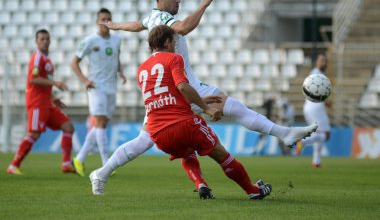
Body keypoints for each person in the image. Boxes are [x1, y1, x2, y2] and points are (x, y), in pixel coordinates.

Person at [96, 0, 317, 191]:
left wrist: (115, 25)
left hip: (165, 95)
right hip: (187, 87)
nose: (178, 0)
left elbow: (137, 25)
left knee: (143, 140)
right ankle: (283, 134)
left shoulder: (151, 18)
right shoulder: (164, 19)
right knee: (234, 107)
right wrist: (204, 4)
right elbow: (182, 28)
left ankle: (102, 173)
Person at [90, 25, 273, 200]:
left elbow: (165, 97)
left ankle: (200, 182)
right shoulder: (174, 59)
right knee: (220, 153)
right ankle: (252, 190)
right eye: (174, 41)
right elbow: (183, 86)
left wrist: (200, 101)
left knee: (186, 152)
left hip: (158, 134)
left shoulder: (141, 70)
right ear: (168, 42)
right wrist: (206, 108)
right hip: (184, 124)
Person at [7, 29, 75, 174]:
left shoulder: (47, 60)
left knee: (68, 126)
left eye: (47, 39)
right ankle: (13, 165)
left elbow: (43, 84)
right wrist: (55, 83)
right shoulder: (37, 58)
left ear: (50, 41)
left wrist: (52, 99)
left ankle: (66, 164)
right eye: (42, 39)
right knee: (34, 134)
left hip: (46, 103)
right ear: (36, 41)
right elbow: (33, 79)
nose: (45, 41)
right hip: (37, 103)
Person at [71, 8, 126, 177]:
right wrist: (85, 80)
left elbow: (116, 57)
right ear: (97, 21)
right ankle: (106, 164)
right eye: (103, 19)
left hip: (111, 86)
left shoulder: (117, 39)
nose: (106, 22)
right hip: (96, 87)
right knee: (100, 122)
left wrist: (120, 71)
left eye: (108, 19)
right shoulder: (90, 40)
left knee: (101, 124)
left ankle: (79, 159)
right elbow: (74, 62)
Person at [297, 53, 331, 167]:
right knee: (326, 135)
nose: (324, 63)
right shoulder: (317, 74)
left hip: (309, 107)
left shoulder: (317, 73)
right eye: (321, 60)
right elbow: (316, 91)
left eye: (325, 61)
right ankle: (303, 141)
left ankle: (316, 161)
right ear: (316, 62)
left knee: (318, 134)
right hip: (316, 107)